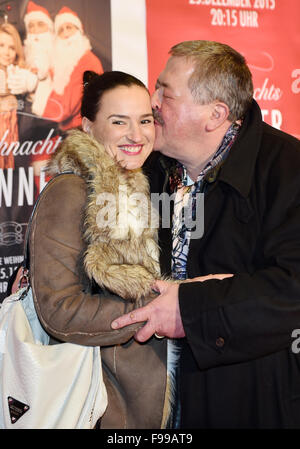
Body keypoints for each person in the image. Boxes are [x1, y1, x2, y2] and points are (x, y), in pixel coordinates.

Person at [111, 40, 300, 428]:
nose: (152, 101)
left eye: (166, 92)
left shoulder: (289, 171)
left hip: (251, 405)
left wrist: (192, 308)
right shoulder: (145, 169)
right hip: (148, 403)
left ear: (215, 115)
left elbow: (293, 290)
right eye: (155, 87)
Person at [26, 70, 169, 428]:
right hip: (104, 402)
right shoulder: (71, 191)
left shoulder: (143, 184)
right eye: (119, 122)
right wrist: (154, 310)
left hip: (147, 394)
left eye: (145, 120)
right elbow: (59, 308)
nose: (136, 135)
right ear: (88, 128)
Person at [0, 22, 25, 169]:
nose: (6, 52)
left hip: (16, 161)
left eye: (11, 47)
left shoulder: (22, 80)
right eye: (1, 45)